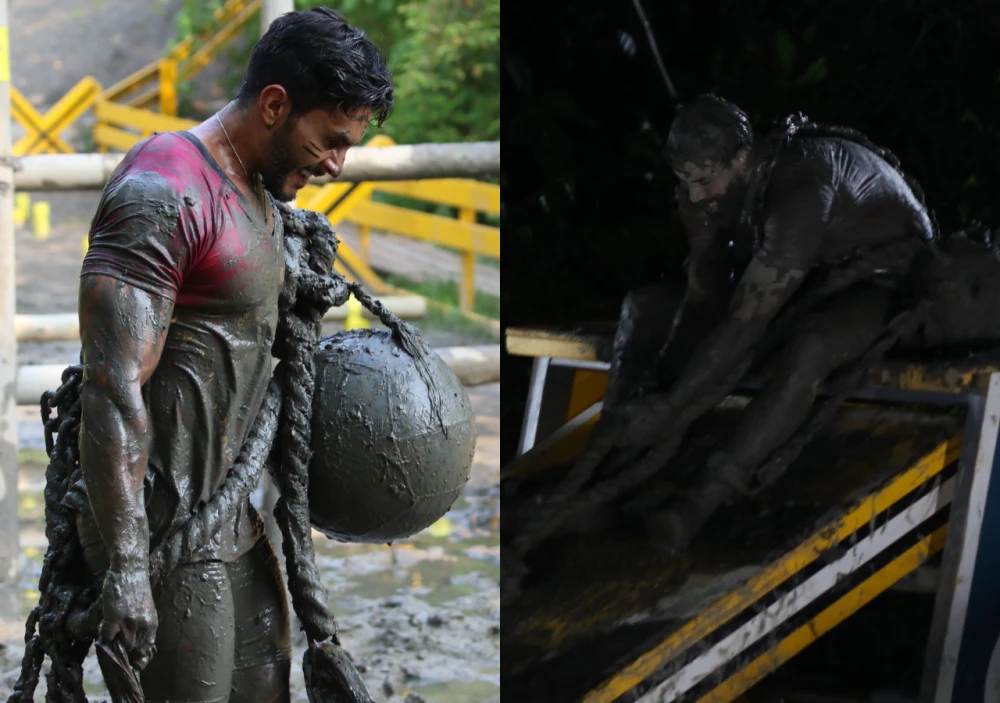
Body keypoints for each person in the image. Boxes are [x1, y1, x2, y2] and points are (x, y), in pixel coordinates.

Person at [68, 8, 393, 701]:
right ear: (275, 105)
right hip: (160, 527)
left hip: (228, 514)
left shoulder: (261, 191)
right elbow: (111, 388)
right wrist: (128, 563)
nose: (335, 165)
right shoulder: (164, 190)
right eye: (329, 141)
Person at [603, 94, 938, 554]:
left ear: (742, 159)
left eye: (704, 180)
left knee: (811, 345)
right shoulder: (701, 192)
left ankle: (702, 499)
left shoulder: (800, 189)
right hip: (810, 277)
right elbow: (704, 296)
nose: (695, 195)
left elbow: (746, 318)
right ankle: (608, 460)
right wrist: (662, 388)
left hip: (886, 281)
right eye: (684, 180)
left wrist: (674, 403)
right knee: (644, 306)